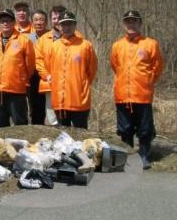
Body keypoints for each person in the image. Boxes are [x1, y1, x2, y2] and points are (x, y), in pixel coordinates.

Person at [110, 10, 164, 170]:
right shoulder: (117, 45)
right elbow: (115, 66)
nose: (131, 24)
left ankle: (144, 155)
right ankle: (128, 157)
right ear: (124, 24)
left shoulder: (150, 44)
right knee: (124, 129)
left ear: (140, 23)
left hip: (142, 95)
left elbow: (157, 66)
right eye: (128, 21)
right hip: (122, 95)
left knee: (145, 129)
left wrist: (147, 81)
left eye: (134, 21)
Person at [46, 12, 97, 129]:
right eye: (63, 24)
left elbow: (92, 70)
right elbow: (50, 68)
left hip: (79, 100)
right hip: (59, 101)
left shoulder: (85, 45)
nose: (67, 27)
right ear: (59, 26)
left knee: (81, 134)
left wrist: (80, 85)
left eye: (70, 24)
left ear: (75, 25)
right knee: (63, 137)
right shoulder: (54, 46)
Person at [0, 9, 35, 128]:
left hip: (16, 92)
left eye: (8, 21)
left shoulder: (23, 40)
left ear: (14, 23)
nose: (5, 23)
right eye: (2, 21)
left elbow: (30, 65)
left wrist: (20, 79)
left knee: (20, 126)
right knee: (0, 127)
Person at [35, 5, 68, 126]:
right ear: (51, 20)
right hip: (50, 84)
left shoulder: (77, 37)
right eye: (54, 18)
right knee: (53, 118)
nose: (58, 20)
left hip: (70, 85)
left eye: (60, 17)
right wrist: (47, 75)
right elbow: (38, 60)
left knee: (68, 117)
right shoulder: (43, 39)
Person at [27, 10, 49, 125]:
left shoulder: (53, 37)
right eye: (36, 20)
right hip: (33, 76)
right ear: (32, 22)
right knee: (35, 108)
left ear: (46, 22)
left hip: (50, 76)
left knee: (52, 109)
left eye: (41, 20)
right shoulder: (27, 38)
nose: (39, 22)